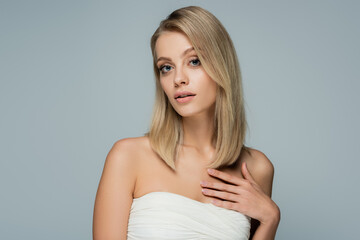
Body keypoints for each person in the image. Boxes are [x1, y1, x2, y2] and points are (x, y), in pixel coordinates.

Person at [93, 5, 280, 240]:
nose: (178, 79)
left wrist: (271, 219)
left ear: (221, 65)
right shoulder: (128, 156)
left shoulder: (257, 168)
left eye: (194, 61)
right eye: (166, 67)